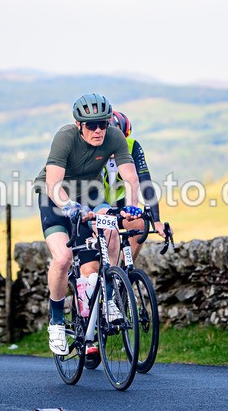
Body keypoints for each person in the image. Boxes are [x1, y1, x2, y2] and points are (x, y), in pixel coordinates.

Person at [34, 94, 142, 355]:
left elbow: (131, 177)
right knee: (63, 258)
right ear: (78, 124)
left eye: (102, 124)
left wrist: (133, 205)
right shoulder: (65, 137)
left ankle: (108, 299)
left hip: (90, 195)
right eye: (91, 125)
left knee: (112, 232)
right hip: (56, 198)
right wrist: (70, 207)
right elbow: (53, 184)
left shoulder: (114, 137)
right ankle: (57, 322)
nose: (98, 130)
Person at [103, 110, 166, 262]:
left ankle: (123, 272)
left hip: (122, 206)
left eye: (122, 139)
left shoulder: (132, 146)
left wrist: (156, 220)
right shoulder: (95, 148)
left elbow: (145, 183)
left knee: (140, 224)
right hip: (98, 206)